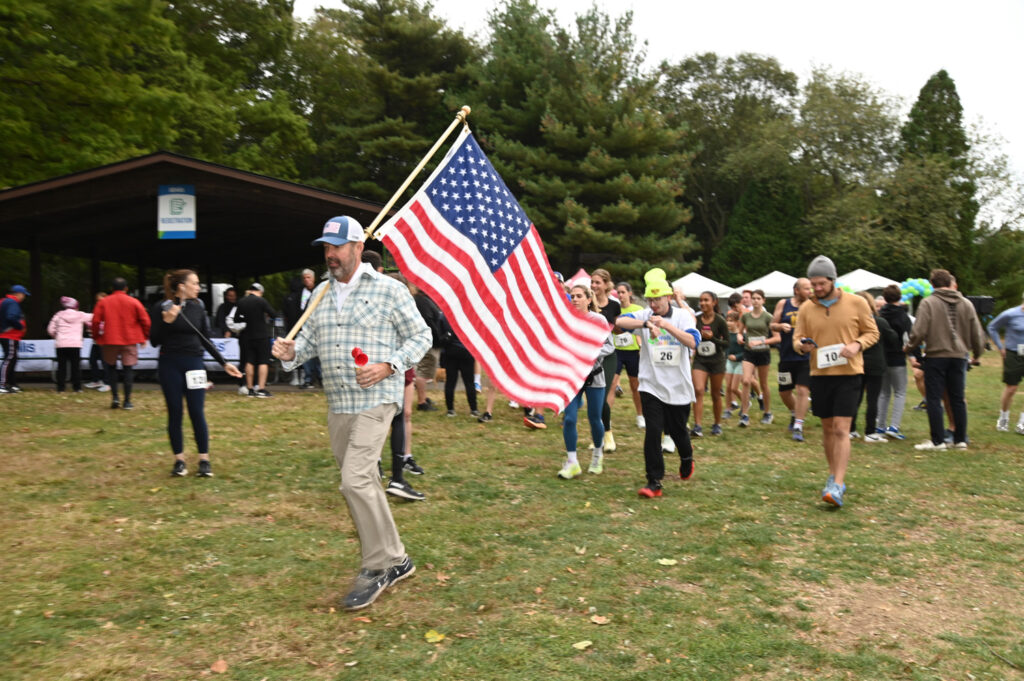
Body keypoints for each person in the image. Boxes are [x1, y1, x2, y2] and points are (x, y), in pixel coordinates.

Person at [271, 215, 431, 611]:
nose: (331, 254)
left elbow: (421, 336)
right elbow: (309, 343)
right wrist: (290, 353)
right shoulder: (321, 292)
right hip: (338, 402)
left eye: (337, 247)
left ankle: (377, 567)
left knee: (355, 480)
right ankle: (397, 558)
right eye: (326, 247)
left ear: (359, 248)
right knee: (364, 482)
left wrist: (389, 366)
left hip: (378, 397)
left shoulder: (389, 289)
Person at [794, 255, 879, 508]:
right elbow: (797, 338)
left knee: (842, 428)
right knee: (828, 429)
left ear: (833, 280)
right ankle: (833, 475)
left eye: (821, 284)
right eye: (813, 285)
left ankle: (838, 484)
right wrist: (801, 346)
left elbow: (872, 332)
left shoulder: (857, 303)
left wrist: (857, 344)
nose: (817, 289)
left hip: (849, 374)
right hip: (820, 375)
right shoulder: (806, 308)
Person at [615, 268, 701, 498]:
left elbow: (693, 342)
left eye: (657, 300)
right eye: (650, 300)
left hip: (678, 386)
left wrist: (666, 326)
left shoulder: (683, 316)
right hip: (650, 384)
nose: (653, 305)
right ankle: (654, 481)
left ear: (669, 297)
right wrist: (646, 325)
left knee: (678, 431)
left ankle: (687, 457)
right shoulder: (645, 315)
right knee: (653, 431)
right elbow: (619, 322)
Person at [149, 270, 243, 477]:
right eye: (195, 283)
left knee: (196, 411)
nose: (198, 287)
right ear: (182, 286)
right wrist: (167, 321)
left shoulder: (198, 308)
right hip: (169, 365)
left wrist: (224, 363)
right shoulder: (161, 307)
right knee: (175, 412)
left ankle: (204, 460)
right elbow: (154, 340)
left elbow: (205, 339)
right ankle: (179, 461)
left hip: (194, 364)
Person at [907, 269, 985, 451]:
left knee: (934, 399)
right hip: (959, 356)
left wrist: (909, 348)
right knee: (957, 398)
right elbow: (977, 332)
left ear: (932, 284)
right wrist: (977, 353)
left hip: (936, 355)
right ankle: (960, 440)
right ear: (950, 283)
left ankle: (938, 441)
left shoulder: (928, 302)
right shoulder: (966, 303)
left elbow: (918, 331)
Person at [558, 285, 614, 479]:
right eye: (572, 296)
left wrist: (590, 353)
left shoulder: (598, 320)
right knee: (569, 418)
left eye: (579, 296)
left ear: (589, 300)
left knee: (594, 418)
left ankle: (597, 455)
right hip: (572, 376)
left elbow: (610, 346)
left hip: (594, 376)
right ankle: (572, 462)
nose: (574, 299)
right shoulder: (566, 319)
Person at [92, 278, 151, 409]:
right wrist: (144, 337)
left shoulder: (104, 302)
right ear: (126, 288)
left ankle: (115, 398)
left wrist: (97, 337)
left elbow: (95, 322)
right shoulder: (134, 302)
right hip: (129, 340)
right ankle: (127, 401)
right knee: (128, 369)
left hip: (110, 339)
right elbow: (145, 321)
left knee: (111, 367)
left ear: (111, 289)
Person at [851, 291, 899, 443]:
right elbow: (893, 339)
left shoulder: (851, 323)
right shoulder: (880, 322)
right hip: (875, 364)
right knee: (873, 398)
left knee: (855, 397)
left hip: (855, 362)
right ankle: (870, 431)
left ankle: (851, 429)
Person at [771, 278, 813, 442]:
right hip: (786, 355)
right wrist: (780, 326)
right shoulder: (784, 304)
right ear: (797, 290)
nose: (810, 292)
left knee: (802, 390)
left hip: (805, 357)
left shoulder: (812, 306)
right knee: (784, 392)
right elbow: (772, 325)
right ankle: (796, 413)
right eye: (806, 288)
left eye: (810, 289)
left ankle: (798, 425)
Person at [737, 289, 779, 427]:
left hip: (763, 352)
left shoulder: (768, 317)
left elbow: (777, 338)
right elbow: (739, 331)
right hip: (749, 352)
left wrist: (761, 342)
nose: (755, 301)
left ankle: (767, 413)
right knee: (746, 381)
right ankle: (744, 415)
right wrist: (739, 337)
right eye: (753, 298)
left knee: (764, 384)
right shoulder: (745, 316)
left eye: (758, 298)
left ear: (763, 301)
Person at [876, 284, 913, 439]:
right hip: (897, 358)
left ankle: (880, 425)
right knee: (900, 392)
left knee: (883, 393)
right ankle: (894, 426)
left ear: (884, 298)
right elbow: (908, 339)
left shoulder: (879, 315)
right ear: (899, 297)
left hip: (882, 358)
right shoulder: (903, 317)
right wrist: (912, 355)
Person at [690, 291, 728, 437]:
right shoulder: (695, 320)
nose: (703, 303)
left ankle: (717, 424)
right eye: (701, 300)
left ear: (714, 302)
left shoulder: (720, 321)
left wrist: (712, 339)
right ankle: (698, 426)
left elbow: (727, 344)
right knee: (698, 390)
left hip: (717, 361)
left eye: (706, 300)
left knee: (715, 394)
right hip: (700, 360)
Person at [591, 269, 621, 452]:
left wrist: (619, 326)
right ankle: (598, 435)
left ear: (606, 284)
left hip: (608, 355)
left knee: (602, 396)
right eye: (592, 282)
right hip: (590, 356)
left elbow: (619, 328)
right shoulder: (587, 302)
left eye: (598, 282)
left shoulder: (614, 305)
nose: (594, 286)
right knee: (593, 399)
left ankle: (608, 435)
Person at [609, 281, 645, 429]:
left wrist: (641, 345)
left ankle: (640, 416)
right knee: (612, 384)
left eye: (623, 292)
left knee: (635, 385)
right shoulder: (614, 309)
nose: (620, 295)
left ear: (630, 293)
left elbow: (641, 330)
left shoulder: (638, 310)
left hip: (633, 352)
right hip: (617, 350)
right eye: (618, 292)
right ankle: (607, 417)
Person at [988, 291, 1024, 434]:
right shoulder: (1011, 314)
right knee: (1011, 388)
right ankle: (1003, 418)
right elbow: (992, 327)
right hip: (1014, 354)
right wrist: (1000, 347)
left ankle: (1022, 423)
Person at [235, 282, 277, 398]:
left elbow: (236, 319)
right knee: (263, 361)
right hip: (262, 335)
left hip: (248, 335)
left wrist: (246, 319)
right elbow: (273, 314)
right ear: (260, 291)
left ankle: (250, 389)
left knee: (249, 361)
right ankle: (261, 389)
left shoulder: (242, 301)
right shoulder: (261, 301)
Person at [47, 296, 93, 393]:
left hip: (61, 344)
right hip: (75, 345)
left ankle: (61, 388)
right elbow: (94, 316)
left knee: (61, 367)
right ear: (75, 306)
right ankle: (77, 388)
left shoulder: (58, 315)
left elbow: (50, 329)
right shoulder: (80, 315)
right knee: (75, 367)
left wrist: (56, 336)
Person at [0, 284, 30, 394]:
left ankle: (11, 384)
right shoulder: (12, 302)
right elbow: (11, 317)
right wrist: (20, 326)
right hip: (10, 335)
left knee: (12, 359)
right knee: (9, 359)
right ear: (18, 294)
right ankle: (2, 385)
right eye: (23, 295)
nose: (24, 297)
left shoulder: (4, 301)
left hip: (6, 335)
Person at [722, 309, 744, 419]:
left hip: (739, 363)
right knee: (728, 387)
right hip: (729, 362)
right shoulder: (726, 334)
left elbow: (746, 351)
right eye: (727, 320)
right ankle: (728, 409)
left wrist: (737, 357)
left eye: (731, 321)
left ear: (737, 322)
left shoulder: (741, 335)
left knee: (734, 388)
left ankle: (746, 403)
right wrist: (726, 355)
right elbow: (725, 347)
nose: (728, 323)